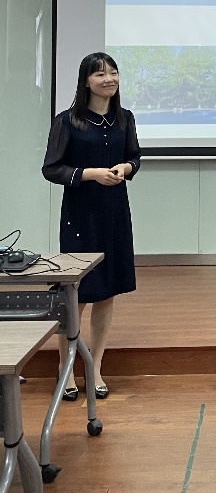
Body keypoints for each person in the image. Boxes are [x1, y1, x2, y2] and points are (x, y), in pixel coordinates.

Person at [42, 52, 140, 400]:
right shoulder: (68, 121)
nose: (109, 79)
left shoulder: (125, 118)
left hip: (114, 213)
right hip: (80, 216)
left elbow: (134, 158)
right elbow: (52, 168)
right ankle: (65, 367)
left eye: (114, 73)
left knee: (107, 291)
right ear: (86, 81)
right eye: (101, 74)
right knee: (77, 294)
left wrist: (125, 169)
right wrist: (90, 174)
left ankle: (95, 366)